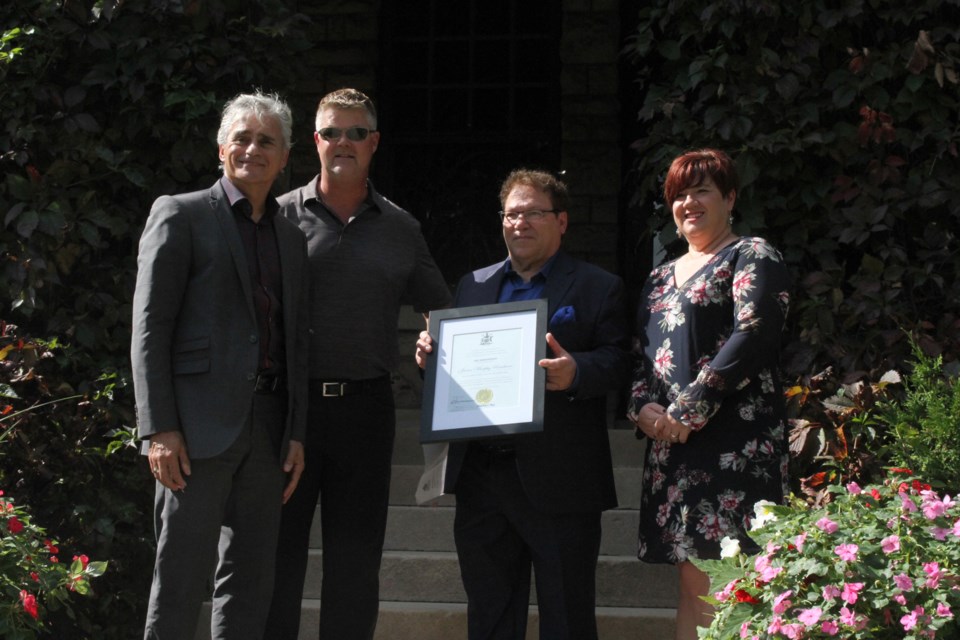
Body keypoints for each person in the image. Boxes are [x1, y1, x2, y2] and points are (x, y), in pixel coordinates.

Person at [265, 88, 453, 640]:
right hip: (288, 412)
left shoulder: (400, 228)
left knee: (355, 565)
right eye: (330, 132)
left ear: (374, 143)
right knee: (277, 559)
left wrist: (436, 346)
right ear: (313, 143)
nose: (342, 142)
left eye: (355, 133)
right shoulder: (277, 217)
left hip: (367, 413)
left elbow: (441, 311)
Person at [415, 169, 631, 640]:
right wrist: (430, 358)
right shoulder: (472, 284)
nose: (521, 223)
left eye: (535, 213)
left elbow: (619, 361)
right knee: (489, 614)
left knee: (567, 616)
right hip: (482, 479)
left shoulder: (598, 286)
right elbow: (456, 367)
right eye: (513, 213)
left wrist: (578, 372)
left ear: (562, 221)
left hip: (561, 479)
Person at [131, 91, 309, 640]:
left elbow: (295, 337)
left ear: (284, 159)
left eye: (267, 142)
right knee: (181, 576)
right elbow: (150, 327)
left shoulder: (290, 235)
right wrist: (158, 427)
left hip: (268, 426)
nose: (253, 149)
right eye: (243, 138)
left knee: (251, 580)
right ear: (221, 150)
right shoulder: (179, 213)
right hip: (194, 430)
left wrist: (296, 432)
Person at [627, 148, 791, 639]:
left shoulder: (752, 254)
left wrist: (689, 407)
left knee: (734, 587)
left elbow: (755, 332)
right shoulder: (659, 276)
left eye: (702, 190)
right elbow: (642, 354)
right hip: (673, 448)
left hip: (734, 446)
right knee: (693, 583)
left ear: (730, 198)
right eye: (680, 194)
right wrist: (642, 409)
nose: (689, 202)